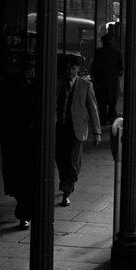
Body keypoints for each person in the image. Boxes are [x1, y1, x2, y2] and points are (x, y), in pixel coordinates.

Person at [55, 51, 101, 207]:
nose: (70, 71)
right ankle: (64, 180)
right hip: (59, 127)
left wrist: (97, 132)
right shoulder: (58, 83)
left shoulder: (85, 85)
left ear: (78, 69)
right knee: (60, 158)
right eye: (68, 68)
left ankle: (67, 191)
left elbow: (93, 109)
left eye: (73, 68)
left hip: (77, 129)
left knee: (73, 161)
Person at [0, 53, 40, 228]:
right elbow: (2, 108)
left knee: (28, 175)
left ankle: (25, 211)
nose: (28, 71)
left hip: (31, 137)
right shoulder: (12, 83)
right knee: (16, 174)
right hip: (15, 136)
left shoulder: (39, 83)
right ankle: (23, 206)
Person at [91, 29, 124, 126]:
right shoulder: (117, 53)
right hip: (112, 81)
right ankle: (111, 116)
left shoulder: (98, 52)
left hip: (100, 81)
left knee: (101, 102)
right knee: (112, 100)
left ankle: (103, 119)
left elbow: (95, 67)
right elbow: (121, 69)